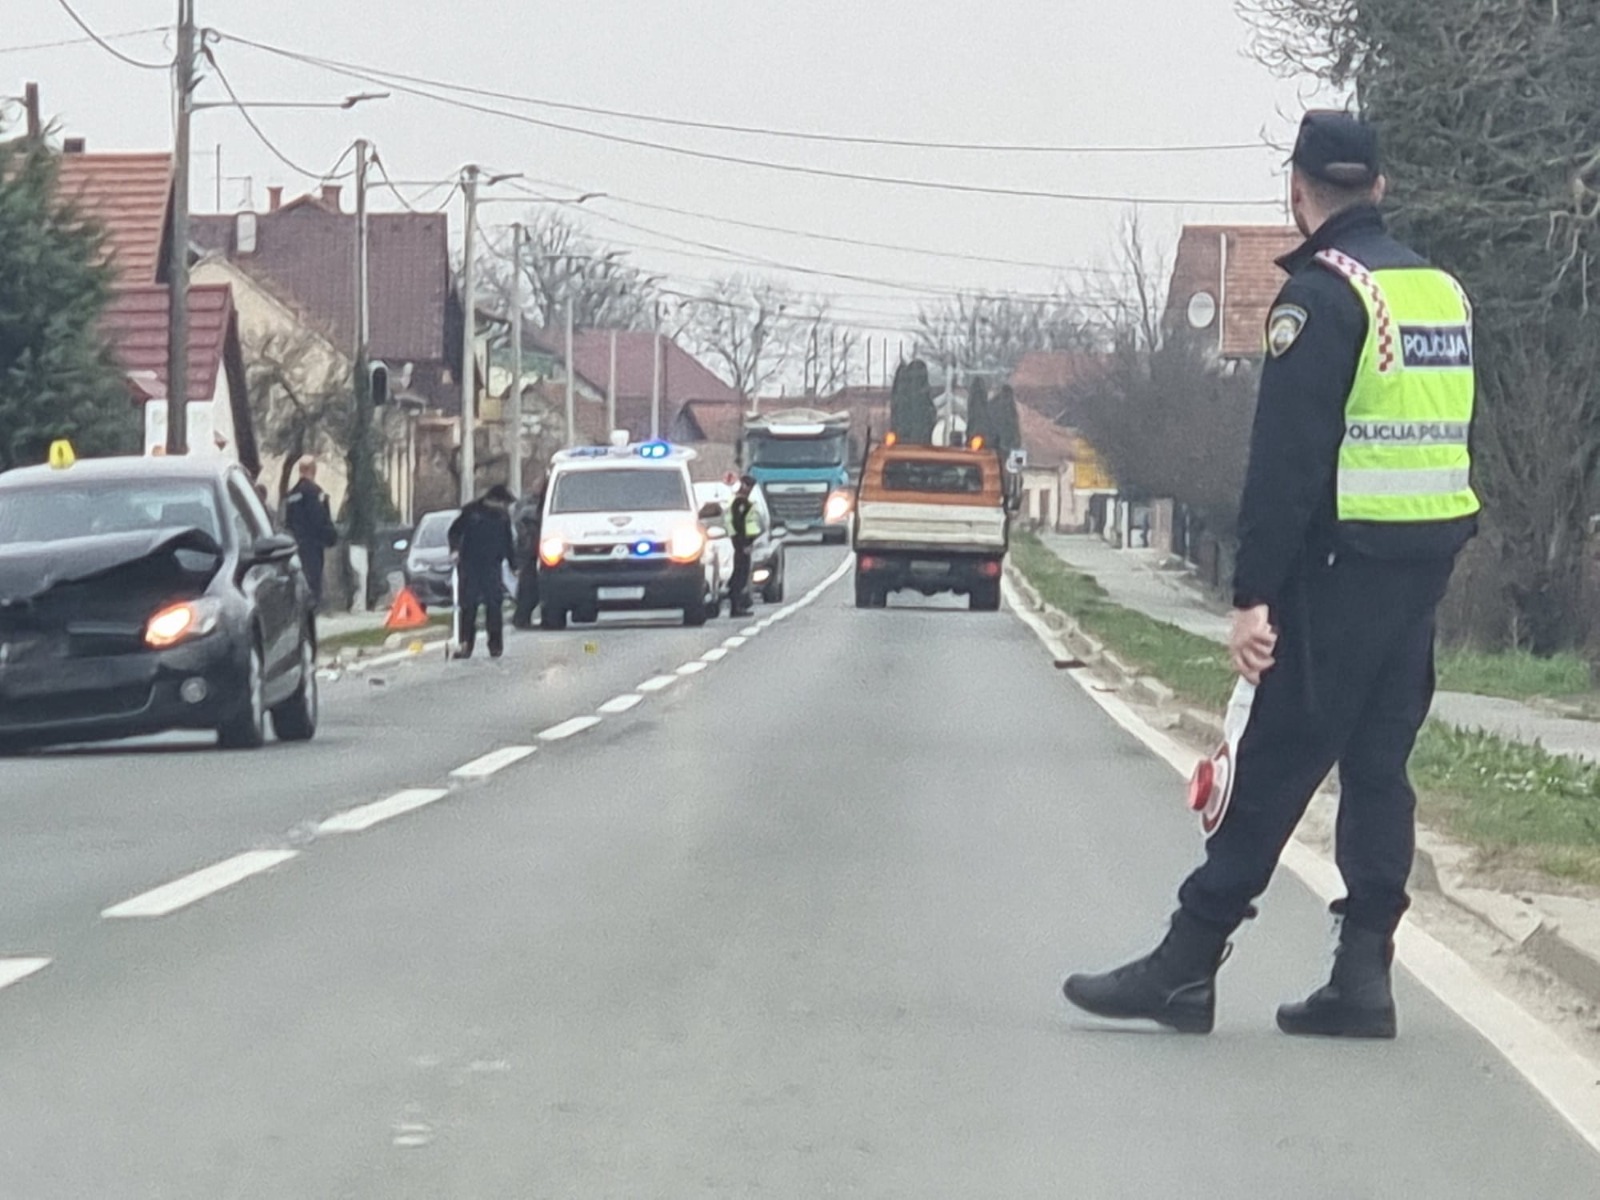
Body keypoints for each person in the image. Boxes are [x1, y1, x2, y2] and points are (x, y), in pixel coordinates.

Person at [1062, 111, 1479, 1040]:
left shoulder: (1322, 300)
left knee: (1272, 767)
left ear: (1297, 191)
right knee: (1379, 770)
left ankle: (1187, 961)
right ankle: (1363, 976)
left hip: (1336, 577)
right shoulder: (1442, 294)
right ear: (1380, 186)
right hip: (1421, 571)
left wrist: (1252, 595)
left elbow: (1285, 468)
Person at [448, 484, 516, 659]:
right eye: (504, 504)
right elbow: (454, 531)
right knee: (468, 606)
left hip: (492, 566)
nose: (505, 508)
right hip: (470, 564)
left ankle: (495, 646)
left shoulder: (502, 517)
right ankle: (466, 644)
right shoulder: (471, 512)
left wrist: (514, 565)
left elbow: (508, 543)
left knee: (494, 605)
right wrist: (454, 550)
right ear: (495, 500)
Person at [282, 456, 338, 607]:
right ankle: (313, 608)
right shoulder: (315, 492)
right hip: (313, 544)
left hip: (297, 543)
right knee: (313, 579)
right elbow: (320, 518)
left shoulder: (292, 494)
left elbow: (288, 522)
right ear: (314, 470)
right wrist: (330, 536)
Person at [510, 480, 546, 631]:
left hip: (535, 551)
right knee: (529, 587)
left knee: (531, 587)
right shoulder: (530, 507)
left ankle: (522, 617)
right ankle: (521, 618)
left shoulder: (530, 504)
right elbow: (523, 533)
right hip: (531, 553)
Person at [727, 475, 760, 617]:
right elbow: (739, 525)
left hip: (743, 544)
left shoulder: (743, 501)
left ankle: (739, 605)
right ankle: (736, 607)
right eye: (749, 486)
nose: (750, 490)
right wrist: (743, 545)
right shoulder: (740, 503)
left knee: (742, 575)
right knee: (740, 575)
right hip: (741, 545)